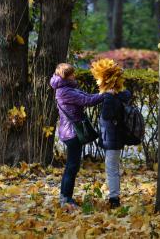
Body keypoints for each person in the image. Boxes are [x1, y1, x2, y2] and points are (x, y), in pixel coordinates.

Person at [50, 63, 104, 210]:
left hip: (68, 132)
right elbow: (88, 101)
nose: (75, 76)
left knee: (71, 166)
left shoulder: (66, 88)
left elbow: (86, 96)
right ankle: (65, 199)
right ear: (66, 76)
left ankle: (65, 196)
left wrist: (102, 92)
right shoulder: (65, 91)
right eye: (72, 74)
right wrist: (106, 94)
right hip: (72, 133)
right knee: (72, 166)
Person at [91, 59, 131, 209]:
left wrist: (106, 98)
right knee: (112, 166)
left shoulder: (110, 97)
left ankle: (114, 198)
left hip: (112, 138)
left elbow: (107, 115)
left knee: (112, 168)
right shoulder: (121, 95)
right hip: (117, 136)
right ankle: (113, 195)